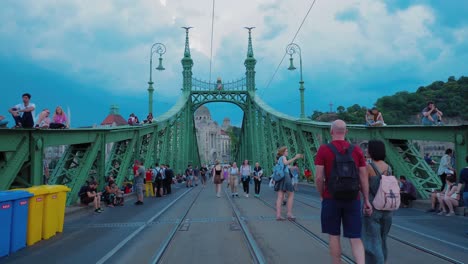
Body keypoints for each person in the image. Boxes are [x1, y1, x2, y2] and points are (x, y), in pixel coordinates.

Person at [314, 120, 370, 264]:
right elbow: (363, 177)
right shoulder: (356, 150)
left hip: (331, 197)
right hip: (353, 198)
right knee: (355, 237)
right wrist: (367, 200)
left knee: (334, 235)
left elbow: (319, 177)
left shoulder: (323, 150)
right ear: (346, 132)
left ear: (331, 131)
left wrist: (321, 194)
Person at [362, 140, 393, 264]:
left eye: (367, 149)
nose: (366, 151)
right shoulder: (388, 167)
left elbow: (364, 187)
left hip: (373, 207)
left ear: (372, 151)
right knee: (383, 239)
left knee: (372, 241)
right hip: (387, 208)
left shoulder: (368, 167)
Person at [274, 147, 303, 220]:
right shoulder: (283, 157)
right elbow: (286, 163)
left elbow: (285, 166)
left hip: (280, 177)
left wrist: (292, 167)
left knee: (280, 196)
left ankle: (278, 215)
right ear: (283, 152)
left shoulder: (279, 158)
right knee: (291, 194)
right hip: (285, 177)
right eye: (286, 151)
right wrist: (295, 157)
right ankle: (289, 214)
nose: (287, 152)